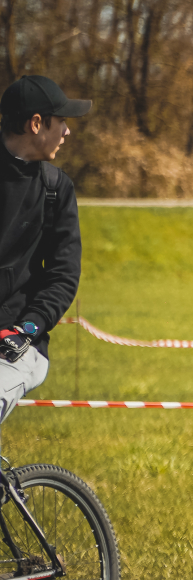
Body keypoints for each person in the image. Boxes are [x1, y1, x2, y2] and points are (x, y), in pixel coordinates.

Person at [0, 76, 87, 435]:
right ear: (36, 124)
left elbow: (64, 274)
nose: (67, 132)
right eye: (62, 121)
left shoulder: (56, 189)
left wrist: (28, 328)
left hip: (20, 347)